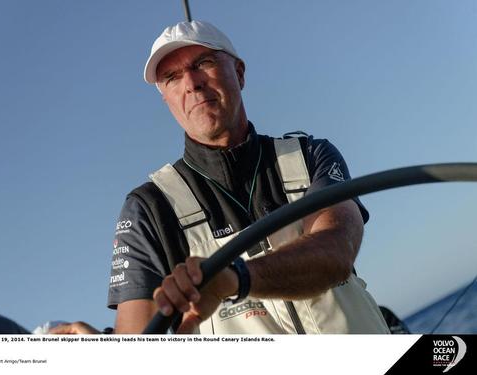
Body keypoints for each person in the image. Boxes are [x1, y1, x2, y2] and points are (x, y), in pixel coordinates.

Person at [54, 20, 389, 335]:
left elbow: (337, 249)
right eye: (172, 77)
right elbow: (138, 342)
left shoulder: (310, 155)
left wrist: (235, 278)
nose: (191, 82)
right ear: (166, 99)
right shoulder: (149, 209)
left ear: (239, 73)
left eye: (204, 62)